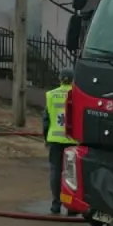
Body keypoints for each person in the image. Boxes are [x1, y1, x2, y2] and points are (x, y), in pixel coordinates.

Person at [42, 68, 78, 214]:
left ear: (60, 79)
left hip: (55, 139)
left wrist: (46, 138)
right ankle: (71, 207)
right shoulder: (77, 96)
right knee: (72, 173)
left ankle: (56, 204)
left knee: (56, 171)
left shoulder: (51, 95)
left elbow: (46, 119)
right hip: (73, 140)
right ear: (73, 80)